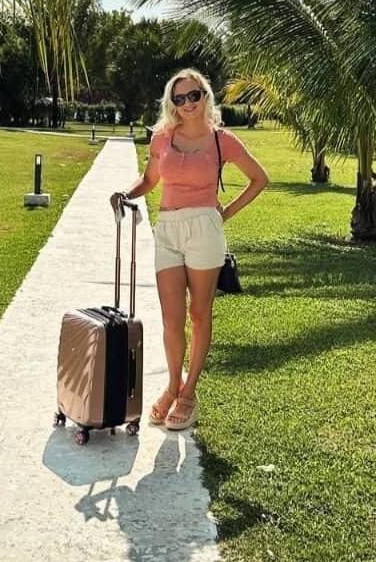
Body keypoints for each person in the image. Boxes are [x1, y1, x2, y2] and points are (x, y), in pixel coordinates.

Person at [110, 69, 269, 431]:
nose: (186, 104)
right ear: (172, 102)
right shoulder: (162, 138)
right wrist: (127, 193)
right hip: (167, 229)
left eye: (193, 96)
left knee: (198, 314)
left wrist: (224, 214)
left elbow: (260, 178)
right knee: (170, 319)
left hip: (204, 231)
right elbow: (150, 180)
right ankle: (172, 385)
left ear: (205, 96)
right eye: (178, 99)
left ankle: (189, 393)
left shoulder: (221, 141)